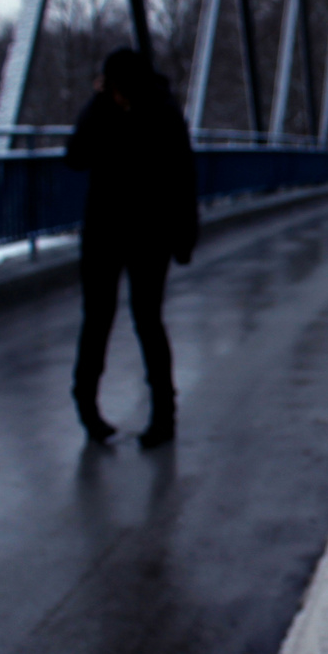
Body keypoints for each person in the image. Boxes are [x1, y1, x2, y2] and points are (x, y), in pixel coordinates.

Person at [65, 47, 199, 448]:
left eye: (119, 88)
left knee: (147, 320)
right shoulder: (102, 111)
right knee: (98, 320)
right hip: (105, 233)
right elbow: (74, 156)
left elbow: (183, 176)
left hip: (149, 233)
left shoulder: (163, 112)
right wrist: (96, 102)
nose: (116, 95)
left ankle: (163, 415)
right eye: (110, 88)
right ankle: (87, 406)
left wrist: (185, 234)